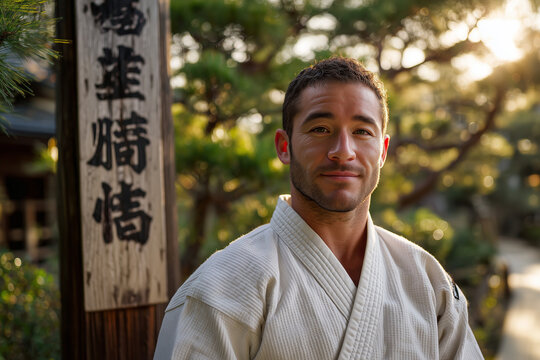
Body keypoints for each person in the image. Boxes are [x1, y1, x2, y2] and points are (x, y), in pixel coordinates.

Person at [154, 57, 484, 359]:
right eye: (320, 129)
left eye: (362, 131)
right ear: (285, 147)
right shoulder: (220, 289)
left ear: (382, 150)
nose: (343, 151)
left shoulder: (427, 281)